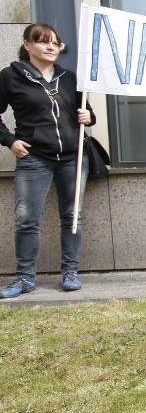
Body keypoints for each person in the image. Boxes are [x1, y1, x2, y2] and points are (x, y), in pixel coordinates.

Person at [0, 23, 95, 297]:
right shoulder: (10, 77)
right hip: (34, 158)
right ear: (27, 45)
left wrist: (89, 117)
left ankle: (70, 272)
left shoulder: (69, 77)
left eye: (55, 42)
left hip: (73, 157)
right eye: (43, 41)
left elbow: (86, 113)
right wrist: (10, 141)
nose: (51, 46)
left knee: (72, 216)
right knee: (27, 218)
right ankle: (25, 278)